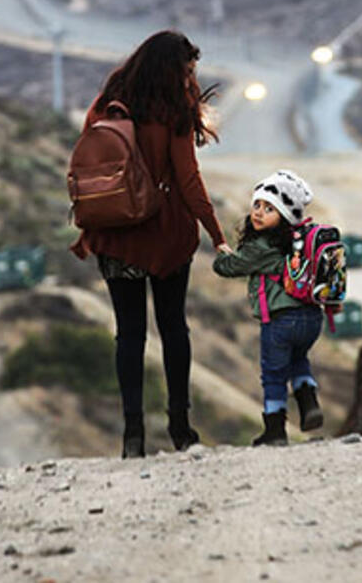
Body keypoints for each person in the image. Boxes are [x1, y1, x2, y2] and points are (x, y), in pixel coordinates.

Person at [71, 31, 228, 459]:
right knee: (174, 329)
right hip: (165, 237)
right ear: (173, 70)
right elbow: (189, 181)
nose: (190, 78)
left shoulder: (108, 103)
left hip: (115, 236)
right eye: (187, 70)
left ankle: (133, 435)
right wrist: (217, 234)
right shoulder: (171, 110)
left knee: (129, 334)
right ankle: (180, 427)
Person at [212, 169, 325, 447]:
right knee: (299, 360)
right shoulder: (300, 240)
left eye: (269, 209)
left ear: (285, 215)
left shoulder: (261, 245)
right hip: (311, 318)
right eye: (257, 205)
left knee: (273, 374)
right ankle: (309, 404)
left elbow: (230, 268)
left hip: (280, 321)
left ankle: (275, 430)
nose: (259, 212)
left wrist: (221, 255)